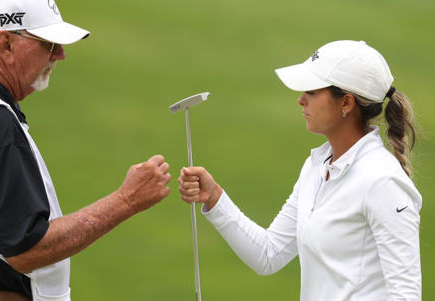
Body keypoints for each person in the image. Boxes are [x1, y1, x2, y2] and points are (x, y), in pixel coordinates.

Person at [0, 0, 171, 300]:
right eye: (48, 43)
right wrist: (126, 200)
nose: (60, 54)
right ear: (5, 44)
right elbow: (27, 250)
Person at [178, 40, 422, 300]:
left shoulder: (383, 180)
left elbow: (406, 294)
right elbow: (268, 255)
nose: (300, 100)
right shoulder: (317, 167)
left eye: (312, 92)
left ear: (346, 103)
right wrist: (214, 197)